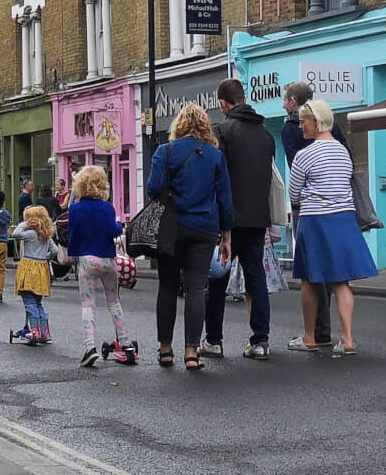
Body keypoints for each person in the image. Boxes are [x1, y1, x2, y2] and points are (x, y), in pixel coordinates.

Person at [146, 103, 233, 371]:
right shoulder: (214, 156)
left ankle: (165, 350)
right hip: (204, 228)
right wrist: (226, 236)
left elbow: (153, 188)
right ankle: (192, 353)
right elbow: (225, 199)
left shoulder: (166, 151)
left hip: (171, 227)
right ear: (205, 126)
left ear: (179, 125)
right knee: (196, 289)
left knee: (168, 287)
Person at [288, 99, 377, 356]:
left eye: (303, 121)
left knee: (309, 279)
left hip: (315, 220)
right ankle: (348, 340)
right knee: (341, 281)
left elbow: (294, 194)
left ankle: (309, 337)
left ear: (316, 121)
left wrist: (309, 193)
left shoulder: (304, 155)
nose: (300, 126)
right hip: (343, 218)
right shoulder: (342, 152)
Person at [202, 78, 274, 360]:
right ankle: (260, 341)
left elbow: (217, 177)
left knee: (217, 279)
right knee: (257, 279)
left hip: (228, 219)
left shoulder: (223, 131)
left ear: (223, 104)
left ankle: (214, 340)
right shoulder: (266, 134)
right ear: (243, 98)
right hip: (258, 218)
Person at [280, 79, 348, 348]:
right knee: (336, 271)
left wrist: (298, 201)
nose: (283, 104)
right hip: (338, 206)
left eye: (285, 99)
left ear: (294, 102)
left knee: (312, 270)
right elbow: (347, 160)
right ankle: (345, 336)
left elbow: (296, 174)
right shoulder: (333, 128)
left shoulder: (290, 131)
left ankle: (318, 332)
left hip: (308, 209)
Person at [69, 166, 136, 368]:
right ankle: (126, 344)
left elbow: (73, 234)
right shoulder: (108, 207)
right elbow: (113, 231)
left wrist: (74, 257)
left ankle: (90, 347)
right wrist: (118, 225)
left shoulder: (75, 209)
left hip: (87, 259)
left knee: (88, 304)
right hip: (108, 259)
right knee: (114, 301)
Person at [10, 205, 56, 343]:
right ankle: (44, 333)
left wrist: (24, 224)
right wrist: (45, 258)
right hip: (42, 268)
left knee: (29, 301)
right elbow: (54, 251)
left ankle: (34, 332)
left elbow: (15, 234)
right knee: (38, 302)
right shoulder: (46, 236)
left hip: (29, 268)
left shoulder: (30, 234)